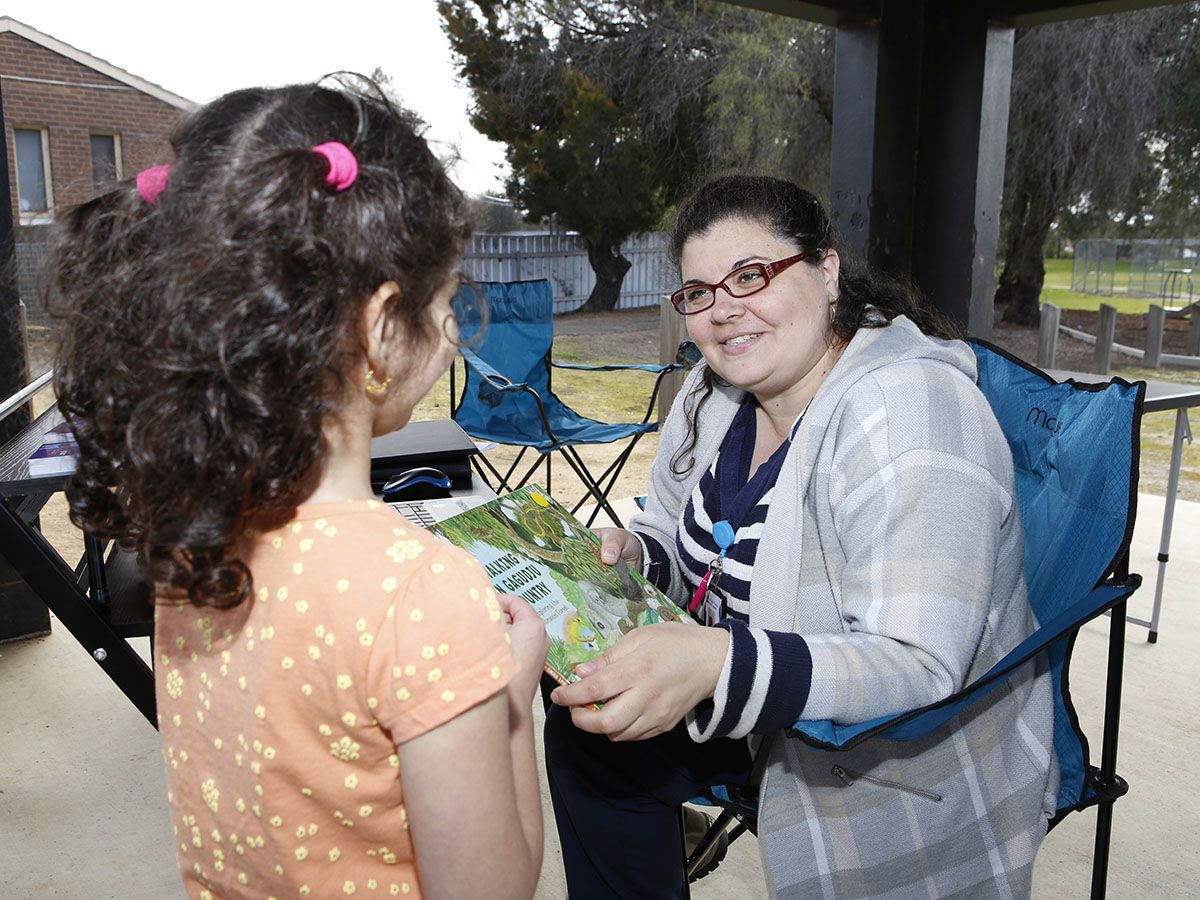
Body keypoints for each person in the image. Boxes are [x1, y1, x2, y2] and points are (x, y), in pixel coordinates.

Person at [46, 80, 547, 900]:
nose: (455, 332)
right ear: (383, 326)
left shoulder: (190, 544)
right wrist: (514, 702)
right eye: (450, 302)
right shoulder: (422, 594)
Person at [544, 175, 1058, 898]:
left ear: (826, 270)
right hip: (744, 690)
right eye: (698, 293)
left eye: (751, 275)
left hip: (881, 741)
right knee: (584, 732)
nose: (723, 312)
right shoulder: (712, 394)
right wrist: (638, 556)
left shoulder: (911, 412)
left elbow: (919, 662)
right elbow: (674, 531)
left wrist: (715, 665)